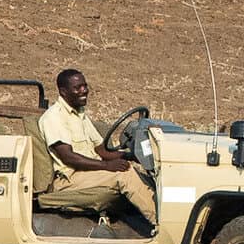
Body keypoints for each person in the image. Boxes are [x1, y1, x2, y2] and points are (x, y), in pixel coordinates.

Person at [38, 68, 156, 226]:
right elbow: (68, 157)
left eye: (85, 86)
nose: (84, 90)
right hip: (70, 178)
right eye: (77, 87)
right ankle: (163, 225)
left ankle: (164, 214)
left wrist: (131, 155)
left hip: (88, 172)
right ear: (63, 91)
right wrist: (107, 166)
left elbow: (101, 150)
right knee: (123, 174)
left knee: (138, 172)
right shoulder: (53, 117)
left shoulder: (80, 114)